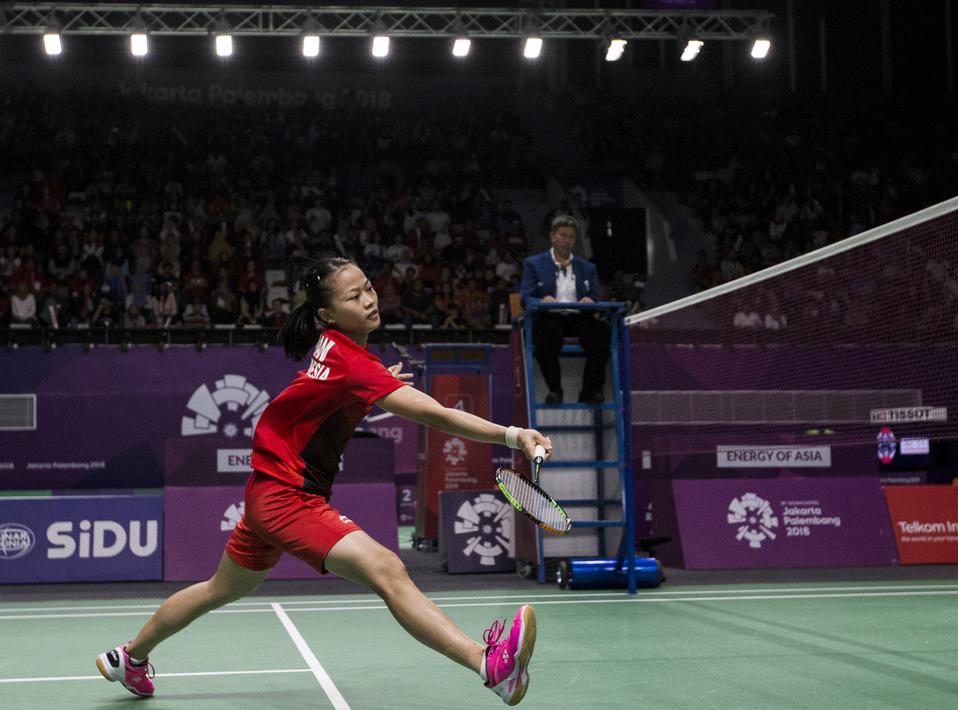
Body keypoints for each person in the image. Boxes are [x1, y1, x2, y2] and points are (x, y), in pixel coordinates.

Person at [97, 257, 549, 706]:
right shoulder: (354, 364)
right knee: (386, 568)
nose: (370, 299)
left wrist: (369, 393)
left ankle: (129, 657)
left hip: (265, 490)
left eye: (369, 287)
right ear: (327, 315)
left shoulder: (337, 349)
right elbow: (440, 415)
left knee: (220, 588)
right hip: (286, 497)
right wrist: (513, 435)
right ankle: (489, 666)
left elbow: (325, 400)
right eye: (354, 296)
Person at [519, 215, 608, 404]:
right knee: (544, 332)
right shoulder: (534, 264)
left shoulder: (587, 267)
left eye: (571, 236)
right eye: (562, 235)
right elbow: (525, 298)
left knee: (601, 332)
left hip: (579, 318)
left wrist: (590, 299)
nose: (566, 240)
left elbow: (596, 297)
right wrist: (542, 300)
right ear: (552, 236)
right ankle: (555, 390)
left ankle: (589, 391)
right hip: (549, 317)